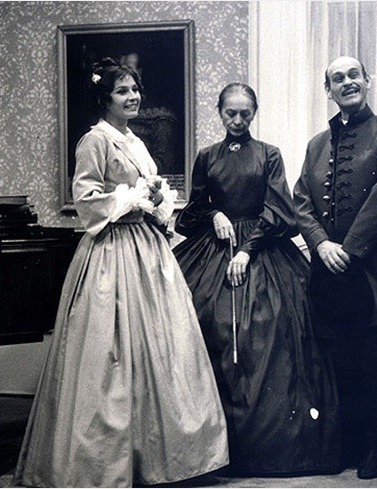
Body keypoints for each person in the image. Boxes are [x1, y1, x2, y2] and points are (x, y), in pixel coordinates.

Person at [13, 58, 229, 487]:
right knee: (108, 352)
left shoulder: (135, 141)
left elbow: (151, 191)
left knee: (165, 346)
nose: (133, 97)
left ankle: (165, 456)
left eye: (135, 90)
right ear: (104, 98)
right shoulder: (95, 140)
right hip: (112, 252)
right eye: (122, 91)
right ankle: (105, 463)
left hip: (147, 248)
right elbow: (86, 199)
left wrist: (156, 198)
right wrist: (131, 197)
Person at [172, 83, 341, 477]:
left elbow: (278, 209)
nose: (237, 120)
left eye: (245, 113)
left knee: (272, 327)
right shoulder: (207, 156)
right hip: (214, 248)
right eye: (230, 113)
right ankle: (211, 448)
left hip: (262, 248)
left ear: (254, 113)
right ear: (220, 113)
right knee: (207, 323)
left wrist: (247, 250)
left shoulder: (268, 154)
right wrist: (214, 214)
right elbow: (194, 207)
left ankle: (270, 449)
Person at [293, 56, 377, 480]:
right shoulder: (316, 144)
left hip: (370, 268)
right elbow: (301, 200)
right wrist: (321, 244)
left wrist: (349, 248)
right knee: (337, 357)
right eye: (338, 78)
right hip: (327, 266)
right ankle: (348, 442)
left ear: (367, 81)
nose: (348, 83)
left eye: (354, 75)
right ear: (329, 90)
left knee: (371, 360)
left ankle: (375, 446)